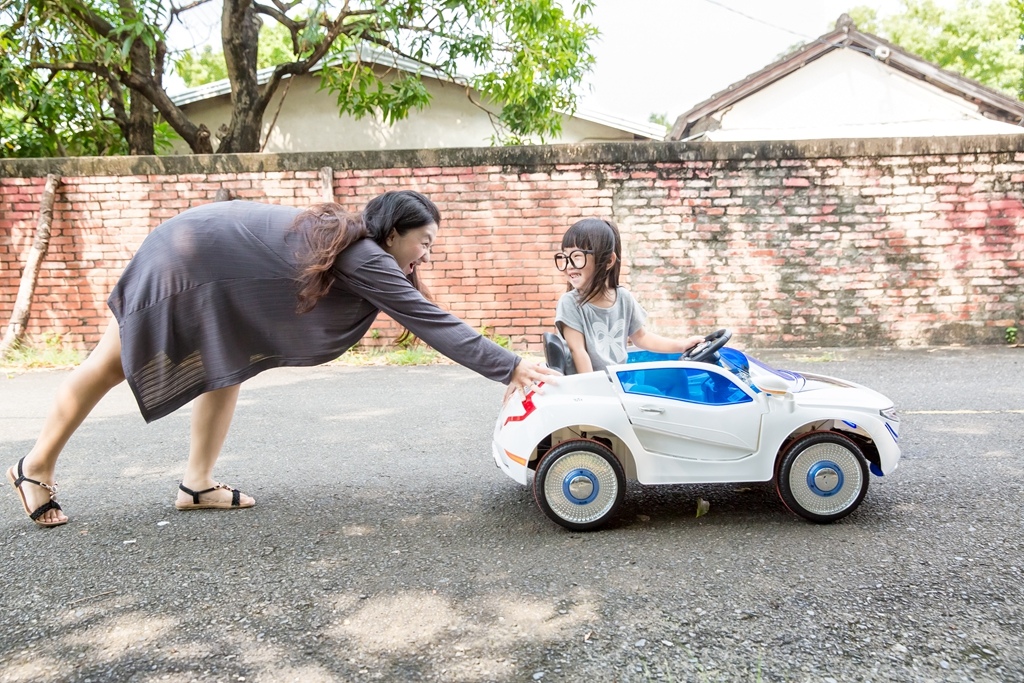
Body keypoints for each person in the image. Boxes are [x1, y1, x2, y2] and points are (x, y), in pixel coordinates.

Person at [6, 191, 556, 527]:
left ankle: (196, 485)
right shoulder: (366, 255)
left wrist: (499, 362)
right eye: (425, 242)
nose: (428, 253)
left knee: (228, 365)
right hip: (184, 263)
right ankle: (34, 469)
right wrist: (508, 365)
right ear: (394, 234)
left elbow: (423, 309)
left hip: (202, 260)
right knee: (108, 367)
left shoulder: (361, 247)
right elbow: (429, 321)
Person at [554, 218, 705, 374]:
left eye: (577, 256)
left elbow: (642, 337)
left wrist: (681, 345)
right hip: (591, 388)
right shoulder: (570, 303)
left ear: (608, 261)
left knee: (675, 376)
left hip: (620, 384)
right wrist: (595, 392)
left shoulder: (623, 298)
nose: (569, 265)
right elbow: (577, 351)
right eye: (565, 257)